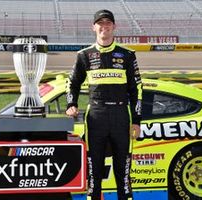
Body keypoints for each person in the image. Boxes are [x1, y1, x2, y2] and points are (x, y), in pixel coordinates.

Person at [65, 9, 142, 200]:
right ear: (94, 27)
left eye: (108, 23)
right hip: (96, 116)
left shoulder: (128, 55)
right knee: (94, 171)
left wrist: (137, 121)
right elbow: (72, 83)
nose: (104, 27)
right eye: (100, 23)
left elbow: (137, 90)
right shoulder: (84, 55)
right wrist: (71, 104)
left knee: (122, 172)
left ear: (114, 27)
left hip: (121, 115)